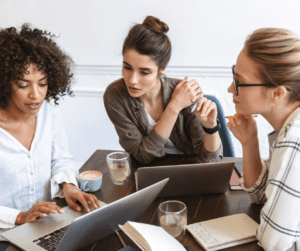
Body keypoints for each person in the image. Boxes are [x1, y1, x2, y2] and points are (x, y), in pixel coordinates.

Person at [0, 24, 100, 239]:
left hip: (47, 227)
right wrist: (21, 217)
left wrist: (69, 187)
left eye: (42, 83)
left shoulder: (48, 113)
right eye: (23, 85)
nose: (36, 95)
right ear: (4, 82)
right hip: (7, 235)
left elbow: (61, 159)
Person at [104, 16, 222, 165]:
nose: (132, 80)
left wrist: (210, 127)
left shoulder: (186, 93)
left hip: (191, 171)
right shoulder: (115, 96)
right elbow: (142, 156)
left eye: (144, 72)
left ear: (162, 69)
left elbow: (211, 160)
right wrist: (174, 107)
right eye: (127, 67)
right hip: (148, 172)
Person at [227, 28, 300, 250]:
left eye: (239, 81)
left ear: (277, 93)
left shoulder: (294, 139)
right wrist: (249, 142)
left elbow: (274, 241)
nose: (231, 89)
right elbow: (260, 196)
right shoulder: (286, 128)